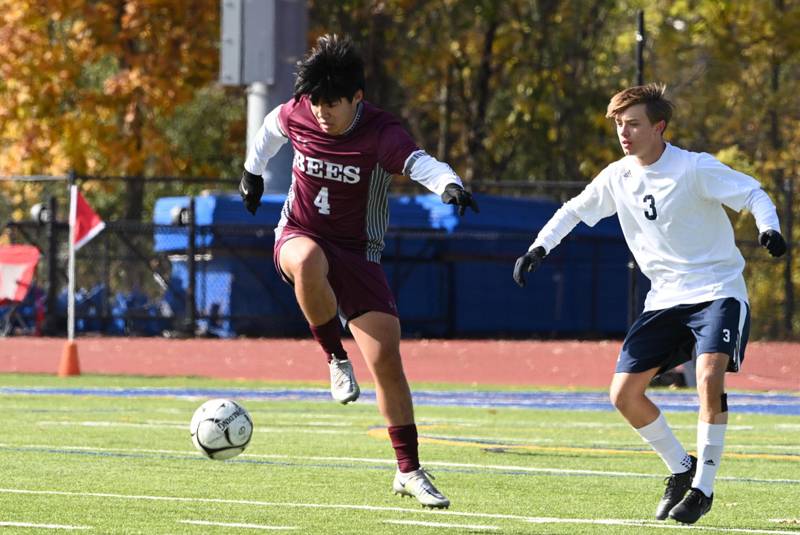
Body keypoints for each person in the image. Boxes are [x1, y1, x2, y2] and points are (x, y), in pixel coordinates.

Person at [512, 83, 786, 524]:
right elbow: (573, 211)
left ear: (659, 127)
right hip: (664, 298)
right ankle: (682, 469)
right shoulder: (617, 176)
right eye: (619, 124)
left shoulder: (694, 168)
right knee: (623, 395)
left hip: (717, 289)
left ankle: (703, 490)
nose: (624, 132)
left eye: (633, 123)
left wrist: (768, 228)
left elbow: (754, 193)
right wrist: (538, 249)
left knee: (709, 372)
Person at [239, 34, 478, 509]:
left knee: (388, 358)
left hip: (359, 252)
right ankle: (333, 356)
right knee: (307, 260)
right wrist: (252, 172)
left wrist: (448, 184)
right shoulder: (298, 111)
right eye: (317, 103)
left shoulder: (381, 132)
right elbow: (268, 129)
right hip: (299, 233)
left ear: (358, 99)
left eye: (334, 104)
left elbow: (419, 162)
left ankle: (408, 470)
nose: (322, 113)